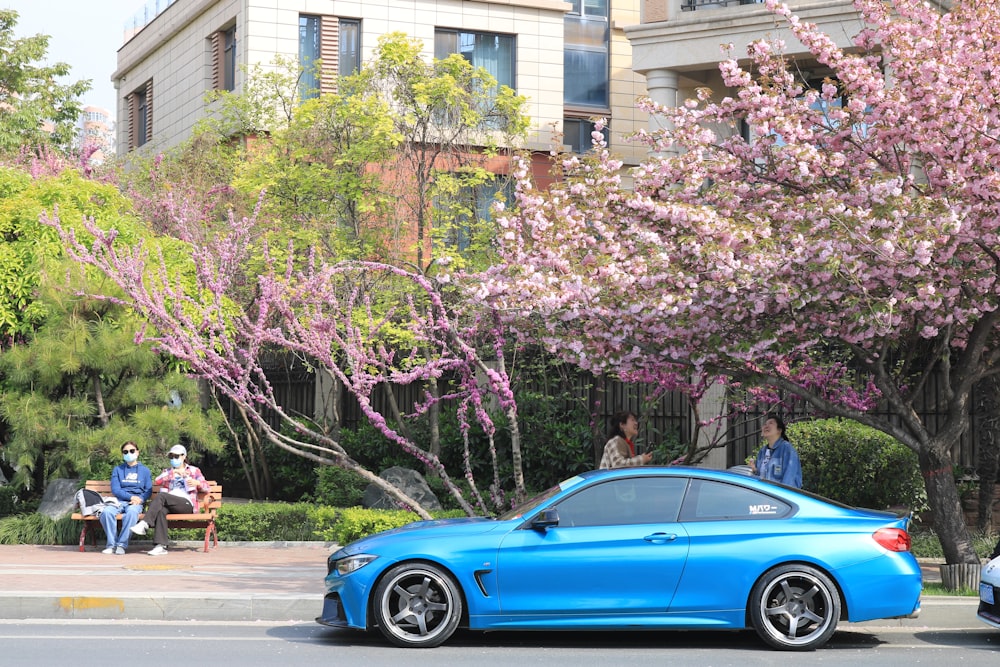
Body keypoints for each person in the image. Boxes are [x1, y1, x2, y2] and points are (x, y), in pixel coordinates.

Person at [130, 444, 210, 556]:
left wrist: (197, 483)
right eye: (171, 457)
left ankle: (144, 523)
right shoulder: (167, 471)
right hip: (170, 503)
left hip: (186, 503)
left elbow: (207, 488)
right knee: (161, 511)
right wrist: (172, 473)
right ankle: (160, 546)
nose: (173, 459)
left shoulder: (194, 470)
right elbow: (157, 481)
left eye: (176, 456)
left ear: (183, 456)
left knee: (162, 496)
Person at [100, 441, 153, 555]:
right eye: (126, 452)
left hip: (136, 503)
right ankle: (111, 545)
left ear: (137, 452)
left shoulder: (145, 470)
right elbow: (116, 490)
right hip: (119, 501)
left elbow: (148, 490)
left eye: (132, 451)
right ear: (123, 454)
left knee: (132, 513)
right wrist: (131, 496)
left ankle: (121, 545)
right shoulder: (118, 470)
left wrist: (140, 499)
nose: (129, 453)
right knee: (106, 512)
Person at [750, 413, 802, 488]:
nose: (766, 426)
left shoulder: (787, 449)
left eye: (771, 423)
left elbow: (789, 479)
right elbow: (761, 477)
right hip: (764, 497)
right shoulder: (762, 451)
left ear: (779, 430)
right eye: (765, 424)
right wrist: (754, 470)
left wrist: (780, 496)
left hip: (779, 497)